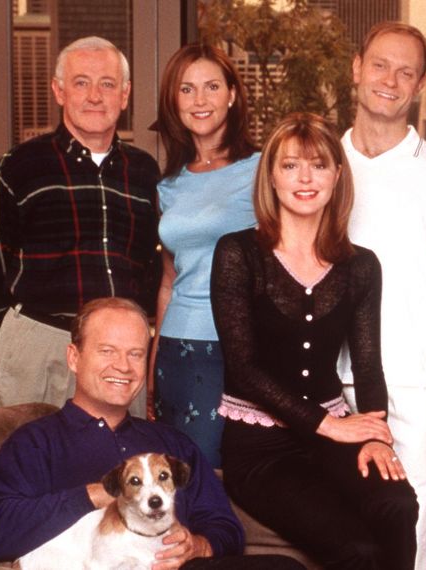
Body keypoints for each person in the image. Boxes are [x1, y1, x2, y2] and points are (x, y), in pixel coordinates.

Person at [211, 113, 418, 569]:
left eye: (319, 165)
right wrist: (332, 427)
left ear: (337, 176)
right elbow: (243, 369)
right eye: (290, 166)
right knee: (357, 550)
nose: (305, 179)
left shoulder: (361, 266)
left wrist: (375, 435)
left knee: (398, 507)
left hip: (335, 439)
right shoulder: (237, 254)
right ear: (271, 176)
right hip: (260, 452)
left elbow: (367, 364)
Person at [0, 297, 304, 570]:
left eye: (135, 354)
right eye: (107, 351)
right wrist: (95, 494)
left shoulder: (172, 444)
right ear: (74, 358)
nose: (123, 366)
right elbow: (1, 531)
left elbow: (226, 528)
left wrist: (198, 545)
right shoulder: (35, 442)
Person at [338, 21, 426, 570]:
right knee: (339, 522)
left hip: (410, 385)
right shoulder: (321, 166)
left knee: (409, 524)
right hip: (329, 384)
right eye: (380, 64)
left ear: (420, 85)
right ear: (357, 69)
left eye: (406, 71)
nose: (390, 80)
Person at [0, 36, 161, 411]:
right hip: (39, 344)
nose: (94, 96)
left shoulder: (144, 173)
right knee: (26, 464)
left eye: (107, 84)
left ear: (125, 94)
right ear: (59, 91)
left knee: (114, 467)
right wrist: (14, 338)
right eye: (80, 82)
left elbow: (153, 264)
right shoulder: (20, 166)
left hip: (118, 355)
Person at [151, 43, 259, 468]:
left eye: (212, 86)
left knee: (203, 472)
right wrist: (152, 362)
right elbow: (167, 282)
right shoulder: (169, 185)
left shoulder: (261, 170)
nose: (200, 100)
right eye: (187, 89)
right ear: (173, 102)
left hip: (225, 347)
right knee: (169, 477)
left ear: (232, 95)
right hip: (174, 347)